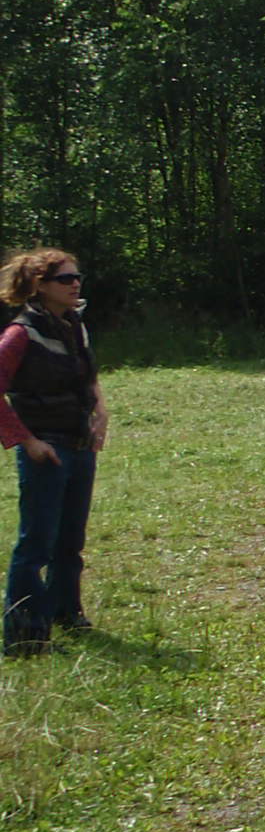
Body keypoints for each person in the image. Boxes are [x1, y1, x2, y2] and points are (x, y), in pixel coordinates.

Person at [0, 250, 106, 656]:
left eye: (77, 277)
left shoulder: (74, 325)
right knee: (36, 546)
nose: (75, 284)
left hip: (80, 445)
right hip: (46, 448)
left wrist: (101, 410)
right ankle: (25, 637)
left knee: (70, 541)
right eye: (65, 279)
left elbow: (89, 376)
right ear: (40, 286)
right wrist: (28, 441)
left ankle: (66, 613)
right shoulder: (21, 334)